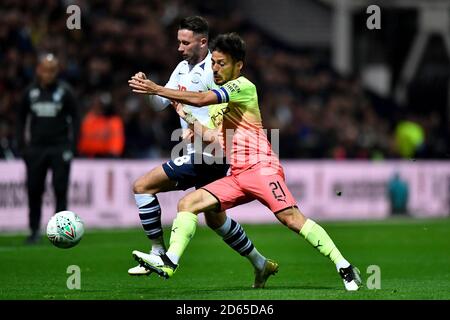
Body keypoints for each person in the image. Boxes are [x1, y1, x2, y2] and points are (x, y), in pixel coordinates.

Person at [129, 33, 362, 291]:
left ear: (238, 65)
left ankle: (344, 266)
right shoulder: (220, 105)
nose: (215, 69)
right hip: (237, 174)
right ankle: (169, 261)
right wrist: (186, 116)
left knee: (291, 219)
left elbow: (202, 99)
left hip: (262, 169)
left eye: (222, 63)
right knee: (188, 203)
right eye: (214, 63)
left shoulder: (243, 87)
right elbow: (214, 138)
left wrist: (156, 89)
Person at [128, 16, 278, 289]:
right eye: (179, 42)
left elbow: (224, 110)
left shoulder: (215, 71)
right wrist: (147, 88)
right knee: (215, 219)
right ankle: (260, 263)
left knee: (142, 186)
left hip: (210, 152)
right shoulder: (182, 68)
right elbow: (160, 104)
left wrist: (201, 129)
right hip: (199, 151)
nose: (180, 48)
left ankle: (159, 253)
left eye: (185, 42)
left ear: (203, 42)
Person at [16, 53, 79, 244]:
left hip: (60, 148)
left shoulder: (65, 92)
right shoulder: (29, 93)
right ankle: (34, 230)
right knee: (34, 189)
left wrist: (72, 146)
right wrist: (23, 147)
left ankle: (61, 232)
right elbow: (20, 120)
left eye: (52, 70)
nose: (49, 74)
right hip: (36, 149)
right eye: (46, 70)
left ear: (57, 72)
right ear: (38, 70)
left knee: (60, 189)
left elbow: (76, 119)